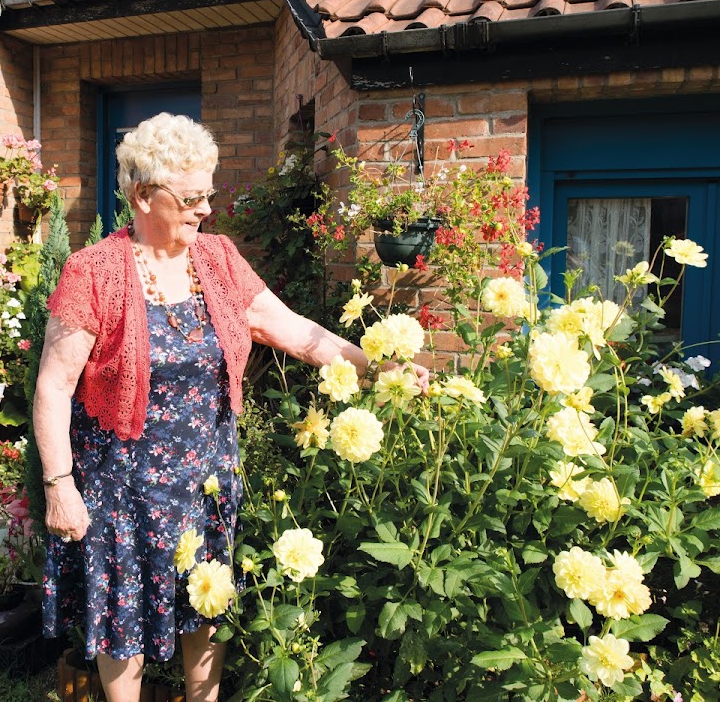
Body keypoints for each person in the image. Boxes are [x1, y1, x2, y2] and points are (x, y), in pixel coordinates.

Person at [33, 112, 427, 702]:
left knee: (206, 601)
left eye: (207, 196)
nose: (204, 210)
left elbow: (294, 330)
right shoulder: (94, 271)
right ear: (142, 195)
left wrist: (376, 366)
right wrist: (59, 484)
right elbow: (53, 387)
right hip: (122, 487)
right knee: (123, 619)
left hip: (207, 479)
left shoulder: (216, 259)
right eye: (190, 198)